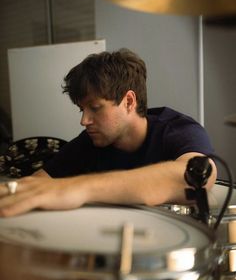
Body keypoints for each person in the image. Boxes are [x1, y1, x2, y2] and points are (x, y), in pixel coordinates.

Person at [0, 49, 217, 216]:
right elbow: (38, 185)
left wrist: (78, 188)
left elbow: (198, 179)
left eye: (95, 108)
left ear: (129, 101)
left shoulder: (178, 130)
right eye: (81, 110)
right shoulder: (89, 142)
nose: (84, 120)